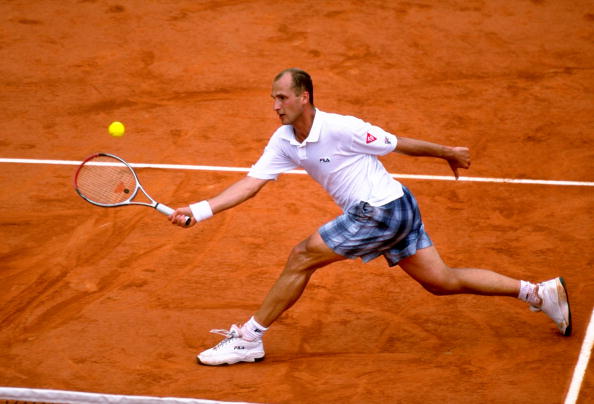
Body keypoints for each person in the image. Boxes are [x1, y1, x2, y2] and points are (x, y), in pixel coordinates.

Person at [170, 68, 571, 366]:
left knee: (301, 255)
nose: (276, 107)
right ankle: (537, 293)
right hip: (396, 207)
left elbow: (398, 144)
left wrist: (447, 150)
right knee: (441, 281)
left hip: (381, 210)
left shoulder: (343, 128)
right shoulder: (283, 141)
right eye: (273, 99)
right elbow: (251, 183)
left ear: (304, 96)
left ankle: (249, 338)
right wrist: (200, 210)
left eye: (282, 98)